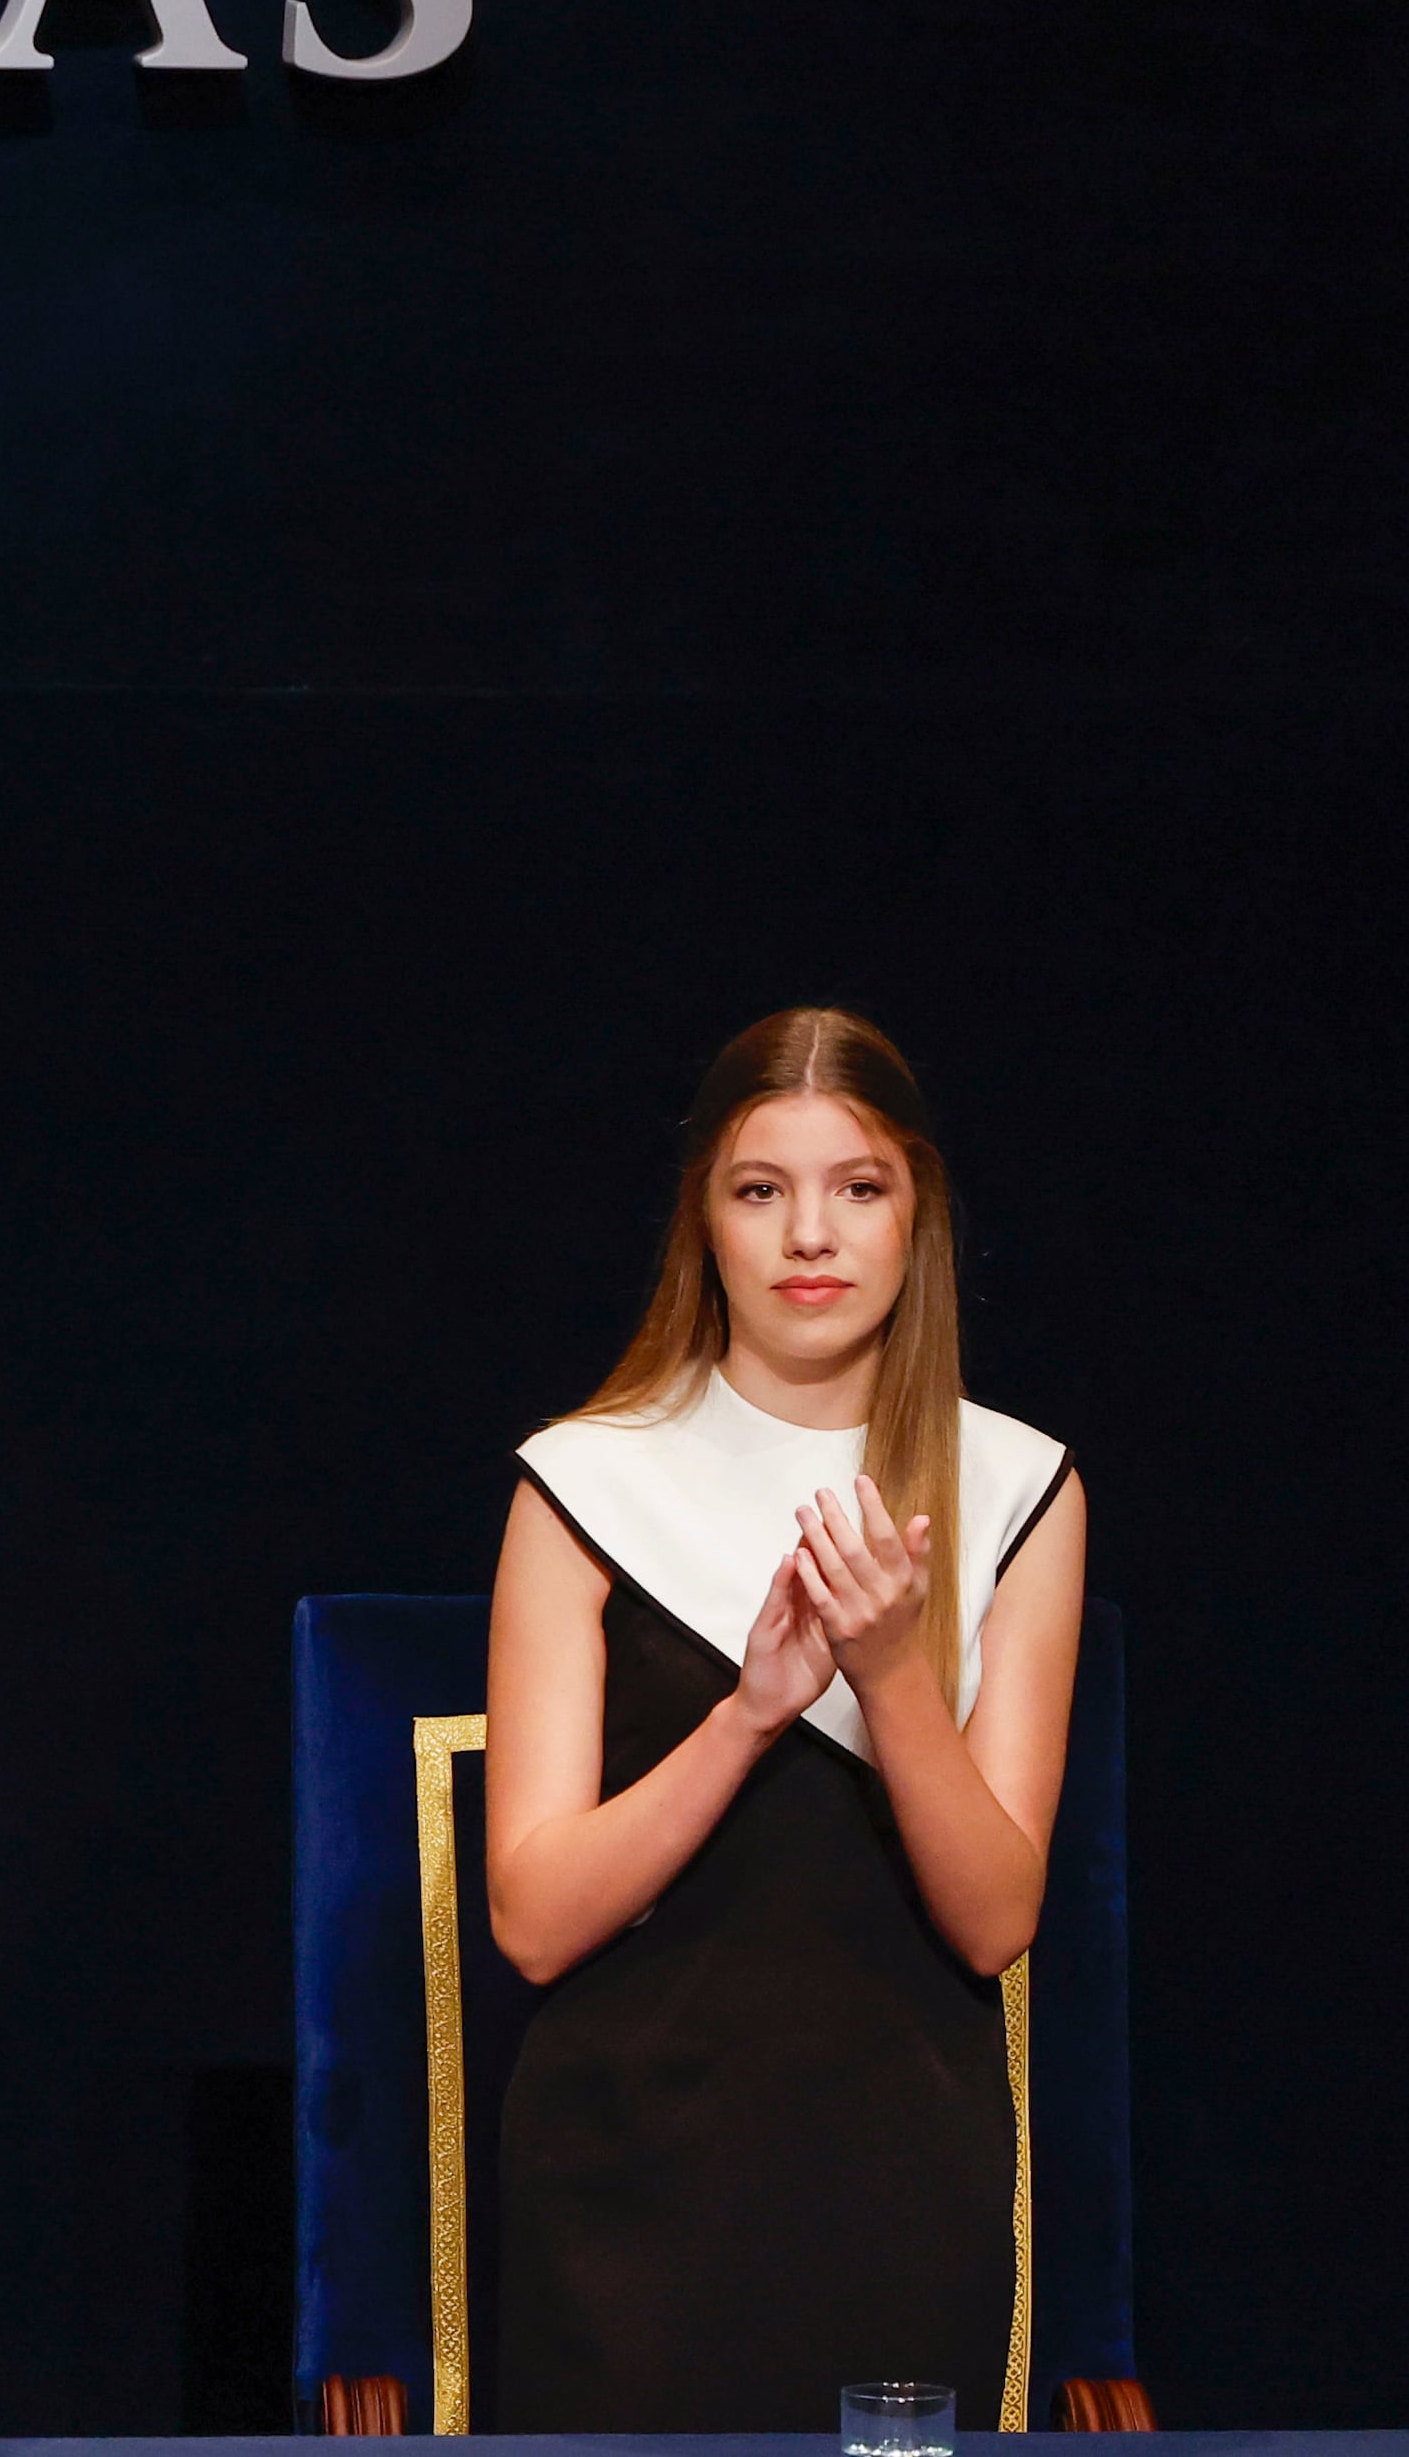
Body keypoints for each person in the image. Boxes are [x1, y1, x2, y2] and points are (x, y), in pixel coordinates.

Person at [479, 1008, 1083, 2430]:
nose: (811, 1233)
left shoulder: (1018, 1489)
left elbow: (998, 1917)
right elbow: (532, 1917)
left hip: (898, 2175)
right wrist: (749, 1712)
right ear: (706, 1217)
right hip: (624, 2187)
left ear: (914, 1210)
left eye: (857, 1187)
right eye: (763, 1189)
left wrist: (887, 1671)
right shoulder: (583, 1484)